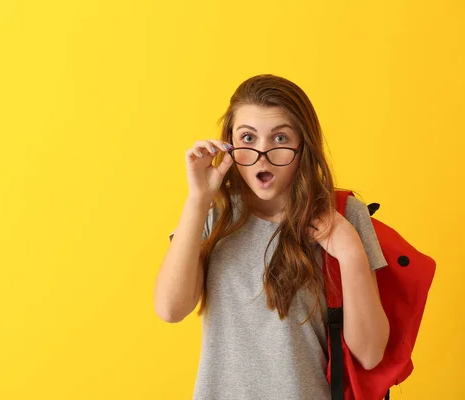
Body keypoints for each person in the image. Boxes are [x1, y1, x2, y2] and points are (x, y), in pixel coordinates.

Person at [153, 74, 390, 399]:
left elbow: (370, 353)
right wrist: (198, 199)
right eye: (248, 137)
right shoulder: (213, 213)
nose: (262, 153)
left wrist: (350, 252)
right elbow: (170, 309)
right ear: (229, 144)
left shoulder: (344, 216)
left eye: (279, 138)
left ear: (303, 145)